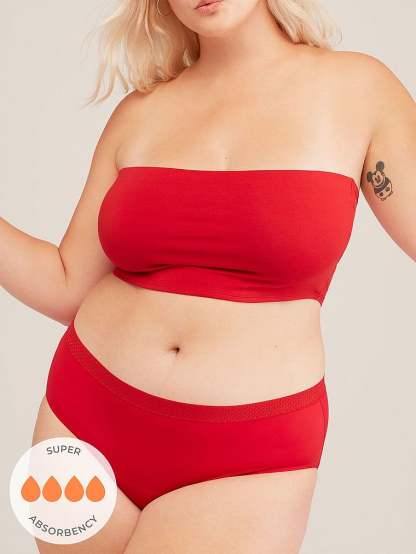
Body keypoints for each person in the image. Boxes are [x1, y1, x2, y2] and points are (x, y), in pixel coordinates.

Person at [2, 0, 415, 552]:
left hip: (246, 452)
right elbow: (66, 284)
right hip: (83, 414)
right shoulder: (140, 110)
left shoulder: (357, 89)